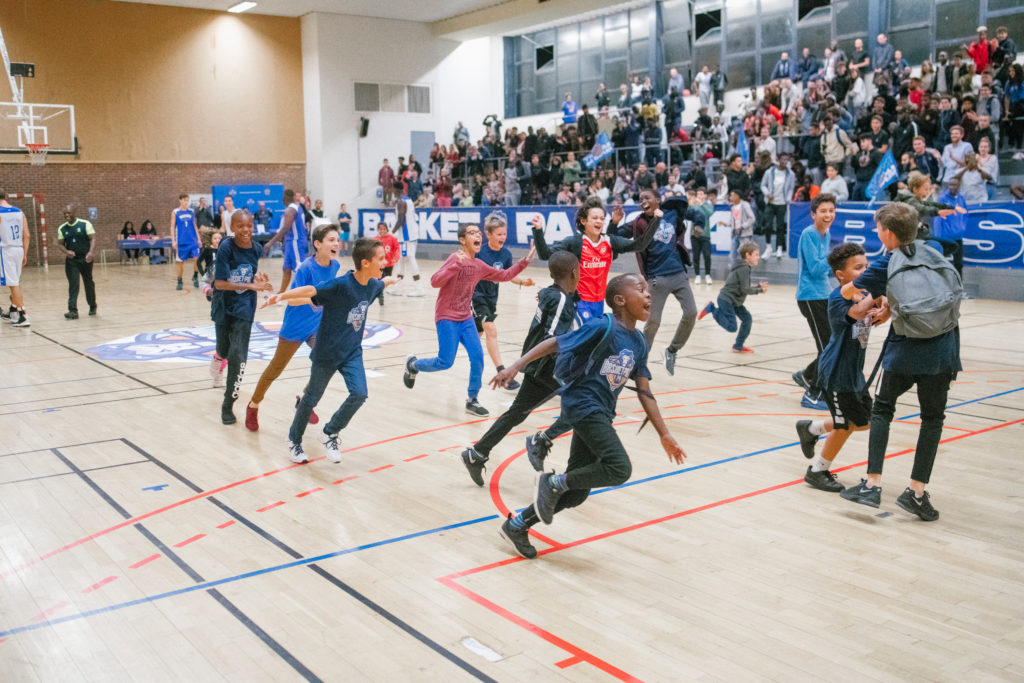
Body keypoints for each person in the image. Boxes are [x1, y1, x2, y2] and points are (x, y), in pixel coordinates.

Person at [492, 273, 685, 559]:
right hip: (582, 405)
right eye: (641, 290)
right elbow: (555, 343)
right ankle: (553, 482)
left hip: (600, 413)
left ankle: (518, 524)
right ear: (620, 300)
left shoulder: (640, 343)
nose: (648, 295)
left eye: (648, 291)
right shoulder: (602, 326)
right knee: (619, 468)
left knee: (578, 492)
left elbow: (644, 392)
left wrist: (664, 434)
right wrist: (514, 367)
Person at [839, 203, 961, 521]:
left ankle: (872, 484)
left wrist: (853, 293)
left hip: (905, 349)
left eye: (878, 229)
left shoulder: (886, 263)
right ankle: (916, 493)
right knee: (932, 419)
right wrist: (892, 306)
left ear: (889, 234)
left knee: (882, 410)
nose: (876, 233)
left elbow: (851, 293)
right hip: (942, 350)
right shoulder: (933, 251)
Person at [264, 238, 393, 464]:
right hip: (327, 352)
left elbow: (384, 284)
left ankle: (330, 431)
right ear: (365, 263)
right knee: (311, 398)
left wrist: (391, 280)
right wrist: (281, 296)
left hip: (352, 352)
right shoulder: (340, 285)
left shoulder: (373, 286)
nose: (385, 262)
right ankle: (294, 439)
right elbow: (311, 290)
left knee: (360, 394)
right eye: (380, 259)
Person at [460, 252, 580, 487]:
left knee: (516, 413)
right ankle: (542, 442)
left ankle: (477, 453)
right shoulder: (560, 300)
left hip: (539, 366)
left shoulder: (550, 293)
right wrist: (519, 365)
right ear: (575, 273)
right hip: (549, 369)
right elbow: (552, 340)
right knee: (586, 406)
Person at [403, 225, 535, 417]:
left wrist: (526, 261)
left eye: (479, 233)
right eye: (472, 233)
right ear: (462, 240)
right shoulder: (455, 259)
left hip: (465, 318)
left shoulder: (479, 265)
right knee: (445, 362)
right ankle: (413, 365)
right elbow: (434, 281)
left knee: (478, 357)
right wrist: (456, 265)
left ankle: (472, 400)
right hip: (446, 317)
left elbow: (504, 275)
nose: (478, 236)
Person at [795, 243, 885, 492]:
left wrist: (885, 306)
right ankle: (817, 470)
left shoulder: (864, 293)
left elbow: (875, 315)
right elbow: (858, 313)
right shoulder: (836, 299)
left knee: (863, 422)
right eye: (858, 268)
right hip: (835, 372)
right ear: (841, 276)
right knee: (845, 424)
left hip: (854, 373)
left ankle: (811, 429)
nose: (865, 272)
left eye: (866, 267)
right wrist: (877, 297)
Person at [245, 224, 342, 432]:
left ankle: (304, 401)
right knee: (275, 369)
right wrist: (313, 301)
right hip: (295, 327)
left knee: (328, 362)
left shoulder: (335, 266)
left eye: (337, 239)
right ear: (318, 244)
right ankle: (253, 406)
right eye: (331, 240)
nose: (336, 243)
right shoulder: (306, 268)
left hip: (317, 327)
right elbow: (293, 300)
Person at [530, 196, 656, 322]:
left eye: (602, 218)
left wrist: (656, 220)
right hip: (578, 302)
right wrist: (538, 230)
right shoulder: (574, 242)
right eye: (595, 218)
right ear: (584, 221)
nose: (599, 221)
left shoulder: (609, 242)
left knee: (594, 339)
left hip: (599, 303)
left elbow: (640, 245)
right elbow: (545, 254)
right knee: (587, 336)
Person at [615, 189, 698, 376]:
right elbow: (618, 234)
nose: (643, 201)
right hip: (656, 278)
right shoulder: (639, 222)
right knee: (653, 322)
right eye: (641, 199)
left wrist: (670, 205)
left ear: (657, 201)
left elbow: (688, 206)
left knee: (691, 313)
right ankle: (639, 362)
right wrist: (614, 223)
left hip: (678, 273)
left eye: (647, 198)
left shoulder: (671, 213)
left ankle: (672, 351)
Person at [210, 211, 273, 425]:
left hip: (245, 308)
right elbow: (219, 283)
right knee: (224, 350)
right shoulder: (226, 247)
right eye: (240, 226)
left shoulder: (256, 249)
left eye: (249, 226)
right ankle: (218, 357)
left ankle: (228, 403)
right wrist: (250, 284)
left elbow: (246, 274)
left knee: (238, 357)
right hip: (223, 305)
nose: (245, 230)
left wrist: (257, 280)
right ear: (232, 227)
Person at [472, 213, 535, 391]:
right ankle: (503, 373)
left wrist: (523, 281)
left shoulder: (506, 254)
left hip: (491, 299)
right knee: (490, 329)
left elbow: (507, 275)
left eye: (504, 234)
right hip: (476, 298)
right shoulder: (479, 253)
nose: (502, 237)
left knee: (476, 338)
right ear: (488, 234)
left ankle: (450, 355)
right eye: (499, 234)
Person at [790, 193, 837, 411]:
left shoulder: (825, 234)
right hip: (810, 297)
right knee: (827, 348)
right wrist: (835, 259)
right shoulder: (809, 234)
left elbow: (824, 269)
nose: (828, 215)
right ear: (813, 214)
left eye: (831, 210)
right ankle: (813, 393)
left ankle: (807, 375)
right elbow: (817, 269)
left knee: (830, 345)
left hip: (824, 295)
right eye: (823, 211)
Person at [698, 242, 765, 353]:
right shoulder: (744, 269)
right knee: (732, 327)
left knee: (747, 319)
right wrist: (760, 290)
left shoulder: (744, 267)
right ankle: (712, 308)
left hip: (735, 301)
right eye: (756, 254)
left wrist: (758, 287)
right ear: (748, 255)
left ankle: (738, 346)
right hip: (726, 300)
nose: (759, 257)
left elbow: (744, 287)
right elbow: (746, 289)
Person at [58, 206, 97, 319]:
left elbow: (92, 238)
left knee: (88, 283)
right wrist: (66, 251)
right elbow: (60, 244)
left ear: (74, 212)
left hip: (86, 259)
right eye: (64, 214)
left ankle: (92, 305)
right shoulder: (62, 228)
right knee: (73, 285)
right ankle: (73, 311)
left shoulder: (85, 224)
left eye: (69, 213)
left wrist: (91, 252)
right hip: (72, 261)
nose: (66, 215)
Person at [0, 190, 30, 327]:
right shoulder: (19, 211)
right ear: (6, 196)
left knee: (13, 284)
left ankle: (23, 315)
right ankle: (13, 311)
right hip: (18, 249)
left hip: (6, 250)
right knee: (15, 282)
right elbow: (27, 235)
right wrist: (25, 253)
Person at [390, 181, 424, 297]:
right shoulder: (407, 199)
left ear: (396, 190)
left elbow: (400, 221)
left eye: (393, 189)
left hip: (406, 235)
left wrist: (391, 233)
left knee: (410, 258)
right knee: (401, 260)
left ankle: (419, 288)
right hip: (410, 234)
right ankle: (398, 287)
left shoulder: (401, 202)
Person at [759, 156, 795, 259]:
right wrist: (767, 194)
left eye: (787, 160)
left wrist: (788, 198)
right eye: (783, 160)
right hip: (770, 202)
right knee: (768, 225)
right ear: (778, 161)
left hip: (782, 203)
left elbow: (790, 188)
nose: (785, 162)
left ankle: (779, 248)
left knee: (780, 226)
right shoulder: (769, 172)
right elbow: (763, 185)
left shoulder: (790, 174)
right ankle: (768, 247)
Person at [171, 193, 201, 291]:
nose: (185, 202)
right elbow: (172, 227)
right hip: (181, 241)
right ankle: (180, 281)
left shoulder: (191, 211)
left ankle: (195, 276)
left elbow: (195, 226)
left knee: (197, 258)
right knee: (180, 262)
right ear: (180, 200)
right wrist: (173, 240)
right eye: (184, 200)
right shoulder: (175, 212)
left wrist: (199, 239)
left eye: (187, 200)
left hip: (193, 240)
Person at [717, 189, 755, 265]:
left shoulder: (745, 205)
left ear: (738, 196)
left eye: (732, 195)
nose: (730, 197)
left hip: (744, 234)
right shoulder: (733, 207)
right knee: (732, 253)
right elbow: (733, 221)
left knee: (743, 253)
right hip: (735, 233)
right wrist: (725, 224)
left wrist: (742, 227)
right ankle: (733, 267)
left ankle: (744, 268)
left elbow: (752, 218)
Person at [690, 188, 714, 285]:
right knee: (695, 256)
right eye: (698, 194)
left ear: (705, 195)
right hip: (694, 234)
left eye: (701, 194)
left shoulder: (708, 205)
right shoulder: (693, 205)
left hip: (705, 235)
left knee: (707, 256)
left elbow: (709, 213)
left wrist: (701, 205)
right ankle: (697, 275)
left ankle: (708, 275)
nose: (699, 196)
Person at [375, 222, 400, 306]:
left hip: (389, 264)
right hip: (379, 265)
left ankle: (379, 291)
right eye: (380, 229)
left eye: (384, 229)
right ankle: (380, 295)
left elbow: (397, 249)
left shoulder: (392, 239)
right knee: (380, 280)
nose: (382, 231)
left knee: (386, 280)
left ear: (387, 230)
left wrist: (396, 258)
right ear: (378, 230)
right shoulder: (375, 239)